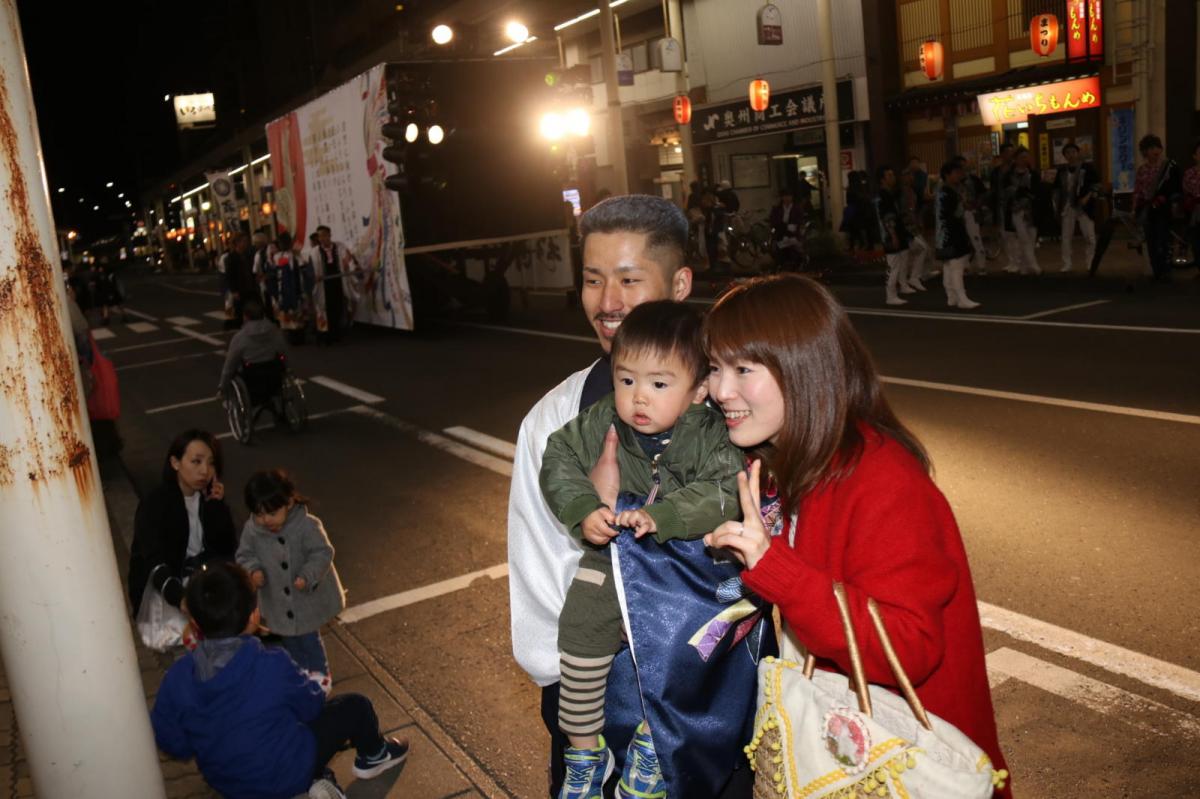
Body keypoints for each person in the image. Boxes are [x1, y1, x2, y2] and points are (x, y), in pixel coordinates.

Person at [702, 275, 1010, 797]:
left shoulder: (882, 479)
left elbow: (909, 648)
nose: (720, 390)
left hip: (908, 762)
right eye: (714, 367)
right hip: (849, 747)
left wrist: (774, 566)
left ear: (803, 369)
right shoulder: (791, 462)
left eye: (743, 369)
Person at [510, 195, 761, 799]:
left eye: (628, 279)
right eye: (593, 280)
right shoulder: (557, 417)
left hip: (714, 683)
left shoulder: (729, 405)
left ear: (679, 283)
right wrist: (573, 708)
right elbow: (539, 576)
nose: (607, 302)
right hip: (607, 690)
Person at [539, 301, 742, 798]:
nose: (637, 398)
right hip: (613, 552)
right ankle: (585, 750)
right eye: (626, 380)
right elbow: (559, 455)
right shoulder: (605, 416)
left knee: (676, 651)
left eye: (658, 383)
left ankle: (654, 745)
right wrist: (584, 509)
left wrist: (665, 515)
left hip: (687, 567)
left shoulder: (711, 432)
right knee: (579, 633)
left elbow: (724, 489)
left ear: (698, 391)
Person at [151, 561, 407, 799]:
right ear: (253, 615)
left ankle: (319, 779)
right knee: (355, 707)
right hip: (287, 771)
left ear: (195, 623)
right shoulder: (271, 663)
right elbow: (311, 706)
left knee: (266, 724)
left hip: (226, 781)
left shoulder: (177, 676)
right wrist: (312, 682)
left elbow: (173, 741)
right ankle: (373, 756)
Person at [236, 469, 345, 686]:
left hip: (305, 601)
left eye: (271, 513)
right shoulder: (252, 530)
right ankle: (302, 680)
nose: (265, 520)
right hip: (277, 601)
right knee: (289, 642)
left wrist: (307, 575)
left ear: (288, 502)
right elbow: (244, 555)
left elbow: (323, 552)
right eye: (259, 514)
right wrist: (253, 569)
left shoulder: (306, 525)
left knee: (308, 640)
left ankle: (319, 682)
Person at [128, 429, 237, 616]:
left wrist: (217, 507)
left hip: (205, 587)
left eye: (211, 463)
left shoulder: (208, 499)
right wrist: (179, 598)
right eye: (196, 461)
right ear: (175, 462)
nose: (205, 471)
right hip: (168, 594)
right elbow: (152, 558)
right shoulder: (155, 503)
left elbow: (227, 548)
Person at [217, 297, 290, 396]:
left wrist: (222, 386)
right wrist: (288, 369)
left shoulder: (240, 337)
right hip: (273, 379)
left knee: (236, 368)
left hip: (251, 383)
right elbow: (284, 352)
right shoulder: (274, 331)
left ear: (245, 317)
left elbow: (229, 366)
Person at [1133, 134, 1182, 281]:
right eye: (1150, 148)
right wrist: (1135, 208)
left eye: (1157, 147)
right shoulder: (1142, 170)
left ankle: (1166, 270)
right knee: (1151, 241)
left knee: (1163, 239)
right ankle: (1156, 271)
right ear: (1145, 152)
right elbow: (1138, 190)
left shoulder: (1169, 167)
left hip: (1162, 208)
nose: (1154, 151)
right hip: (1147, 210)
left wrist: (1170, 202)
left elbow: (1175, 187)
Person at [934, 160, 981, 309]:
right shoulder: (947, 192)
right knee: (956, 266)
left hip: (944, 233)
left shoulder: (945, 191)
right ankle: (961, 298)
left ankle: (952, 296)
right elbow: (953, 214)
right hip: (951, 232)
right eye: (956, 172)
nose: (959, 175)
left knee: (949, 265)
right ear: (947, 175)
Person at [1054, 143, 1099, 273]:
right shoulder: (1062, 170)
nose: (1071, 155)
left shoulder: (1087, 168)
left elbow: (1096, 185)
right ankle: (1067, 263)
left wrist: (1087, 197)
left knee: (1089, 236)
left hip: (1084, 206)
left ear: (1078, 153)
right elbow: (1057, 189)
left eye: (1073, 152)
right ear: (1064, 155)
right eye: (1067, 153)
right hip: (1067, 207)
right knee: (1066, 237)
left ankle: (1090, 262)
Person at [311, 225, 360, 344]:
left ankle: (337, 334)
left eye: (324, 235)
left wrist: (351, 266)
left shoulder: (339, 247)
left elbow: (348, 259)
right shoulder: (314, 252)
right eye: (319, 236)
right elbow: (310, 268)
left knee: (337, 307)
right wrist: (314, 276)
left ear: (329, 235)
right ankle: (325, 336)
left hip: (338, 281)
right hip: (323, 284)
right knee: (324, 308)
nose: (321, 238)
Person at [874, 165, 913, 305]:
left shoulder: (888, 194)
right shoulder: (883, 195)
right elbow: (886, 218)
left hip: (896, 231)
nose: (893, 178)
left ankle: (900, 288)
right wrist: (893, 235)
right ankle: (890, 295)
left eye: (892, 175)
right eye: (889, 176)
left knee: (900, 261)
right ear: (882, 180)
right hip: (890, 234)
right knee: (893, 265)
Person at [266, 232, 312, 345]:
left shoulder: (282, 257)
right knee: (293, 314)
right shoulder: (285, 256)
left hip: (290, 289)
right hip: (290, 289)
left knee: (293, 314)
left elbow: (272, 274)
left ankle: (295, 337)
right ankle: (296, 337)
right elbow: (304, 269)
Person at [1003, 147, 1040, 274]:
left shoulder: (1033, 174)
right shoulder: (1008, 175)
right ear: (1016, 159)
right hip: (1016, 209)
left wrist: (1028, 198)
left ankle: (1025, 266)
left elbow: (1037, 191)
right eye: (1021, 157)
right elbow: (1006, 192)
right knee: (1023, 238)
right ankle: (1033, 265)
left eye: (1026, 157)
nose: (1024, 160)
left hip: (1031, 210)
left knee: (1031, 237)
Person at [899, 168, 930, 289]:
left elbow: (914, 209)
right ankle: (912, 278)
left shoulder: (911, 191)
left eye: (912, 175)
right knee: (921, 249)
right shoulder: (902, 192)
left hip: (911, 226)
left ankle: (913, 277)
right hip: (907, 227)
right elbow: (905, 211)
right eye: (908, 175)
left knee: (921, 250)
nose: (911, 178)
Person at [989, 144, 1018, 271]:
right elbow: (993, 189)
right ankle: (1011, 261)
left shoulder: (1016, 168)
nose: (1009, 155)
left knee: (1015, 234)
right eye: (1006, 152)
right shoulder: (996, 171)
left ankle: (1018, 261)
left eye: (1011, 152)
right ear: (1001, 154)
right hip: (1000, 205)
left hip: (1013, 205)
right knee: (1005, 235)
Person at [960, 158, 990, 275]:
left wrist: (977, 205)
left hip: (972, 212)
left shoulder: (974, 179)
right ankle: (965, 265)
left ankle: (982, 266)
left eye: (964, 166)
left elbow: (984, 194)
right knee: (962, 240)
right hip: (959, 214)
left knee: (975, 238)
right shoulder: (954, 182)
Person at [223, 233, 257, 328]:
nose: (246, 243)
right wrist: (234, 291)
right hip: (240, 289)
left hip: (250, 287)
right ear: (238, 243)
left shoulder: (248, 254)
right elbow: (230, 275)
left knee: (252, 309)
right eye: (244, 241)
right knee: (240, 310)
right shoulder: (232, 257)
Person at [768, 186, 806, 271]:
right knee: (780, 250)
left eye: (789, 196)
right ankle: (781, 266)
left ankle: (794, 265)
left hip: (793, 234)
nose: (787, 198)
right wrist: (785, 226)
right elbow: (773, 221)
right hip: (781, 234)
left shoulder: (797, 208)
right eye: (785, 196)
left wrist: (795, 228)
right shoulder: (777, 209)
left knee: (793, 248)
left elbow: (800, 221)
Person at [1183, 138, 1200, 270]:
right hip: (1195, 211)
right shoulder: (1189, 173)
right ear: (1194, 156)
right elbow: (1187, 190)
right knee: (1196, 241)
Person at [95, 260, 128, 324]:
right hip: (109, 293)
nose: (99, 269)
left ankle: (123, 316)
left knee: (117, 305)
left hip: (112, 293)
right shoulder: (104, 275)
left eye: (100, 268)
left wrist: (111, 294)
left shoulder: (109, 275)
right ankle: (106, 319)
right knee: (108, 305)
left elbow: (112, 285)